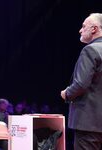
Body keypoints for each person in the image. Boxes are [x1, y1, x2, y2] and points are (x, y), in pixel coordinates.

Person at [61, 13, 102, 150]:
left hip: (89, 123)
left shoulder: (90, 49)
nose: (80, 30)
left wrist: (67, 93)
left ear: (94, 29)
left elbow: (81, 84)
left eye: (84, 26)